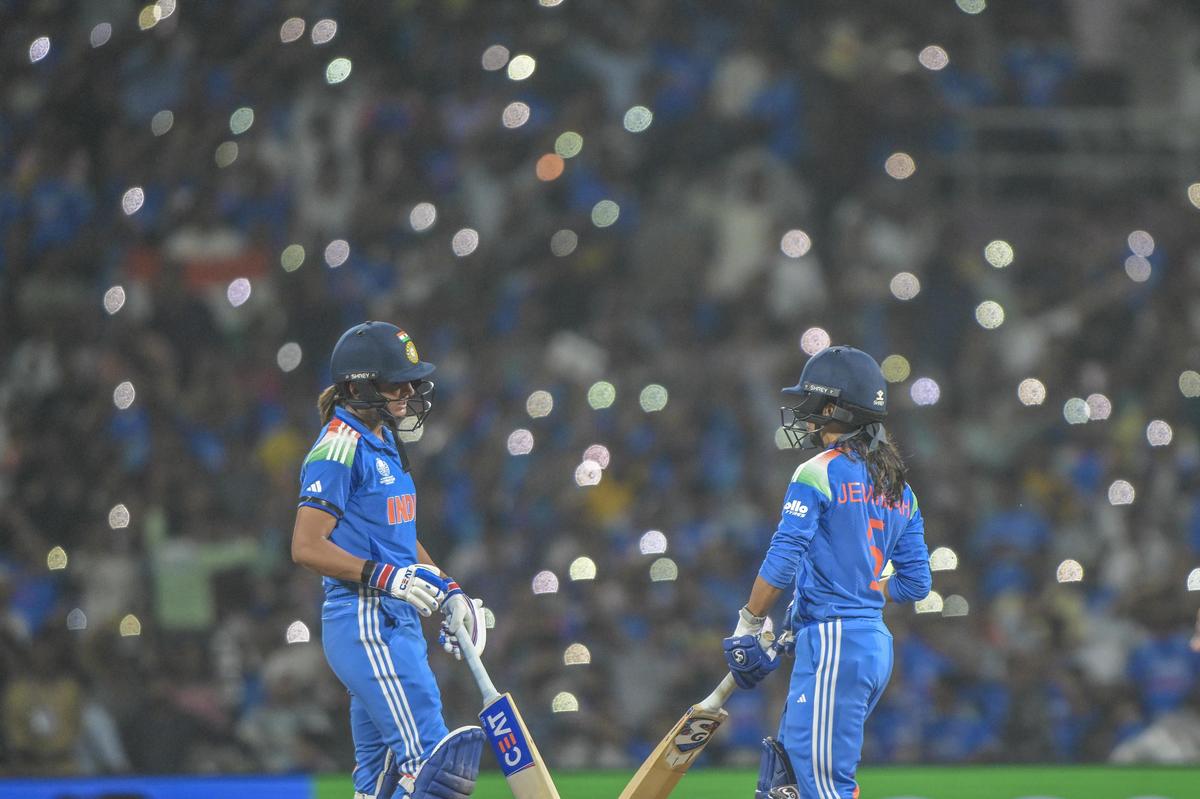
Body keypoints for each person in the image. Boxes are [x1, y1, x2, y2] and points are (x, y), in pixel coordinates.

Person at [721, 345, 932, 799]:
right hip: (869, 645)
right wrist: (837, 602)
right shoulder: (901, 488)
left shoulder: (817, 471)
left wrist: (750, 623)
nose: (804, 414)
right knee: (787, 787)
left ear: (835, 407)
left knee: (823, 790)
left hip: (836, 642)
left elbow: (784, 556)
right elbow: (917, 583)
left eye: (811, 402)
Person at [291, 321, 487, 799]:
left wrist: (448, 589)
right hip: (366, 621)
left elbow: (398, 539)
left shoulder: (383, 440)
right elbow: (306, 546)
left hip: (392, 620)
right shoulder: (340, 446)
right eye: (397, 384)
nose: (409, 393)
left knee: (378, 784)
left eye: (411, 383)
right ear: (359, 387)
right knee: (434, 773)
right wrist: (387, 578)